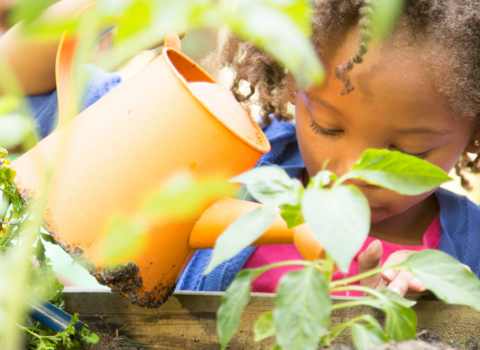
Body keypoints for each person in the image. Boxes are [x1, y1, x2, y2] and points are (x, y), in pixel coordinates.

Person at [2, 0, 480, 297]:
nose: (351, 175)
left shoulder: (471, 250)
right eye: (327, 127)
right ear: (290, 86)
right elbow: (15, 85)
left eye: (409, 153)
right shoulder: (220, 163)